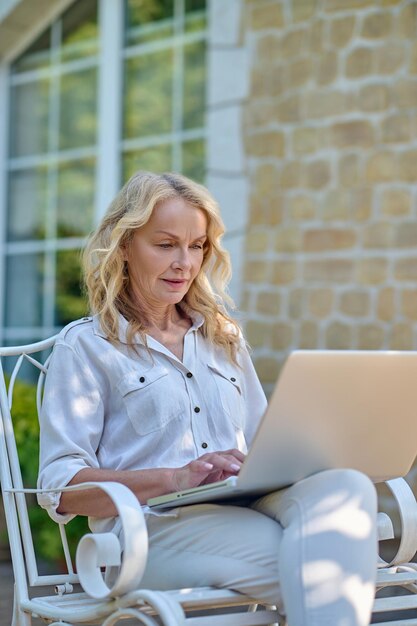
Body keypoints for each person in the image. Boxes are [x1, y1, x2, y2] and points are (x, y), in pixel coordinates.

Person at [37, 171, 378, 625]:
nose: (184, 262)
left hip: (245, 507)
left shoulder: (223, 336)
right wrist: (174, 478)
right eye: (165, 245)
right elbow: (60, 487)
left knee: (347, 487)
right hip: (149, 534)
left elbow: (262, 440)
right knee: (325, 562)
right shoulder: (85, 347)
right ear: (123, 246)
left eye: (197, 245)